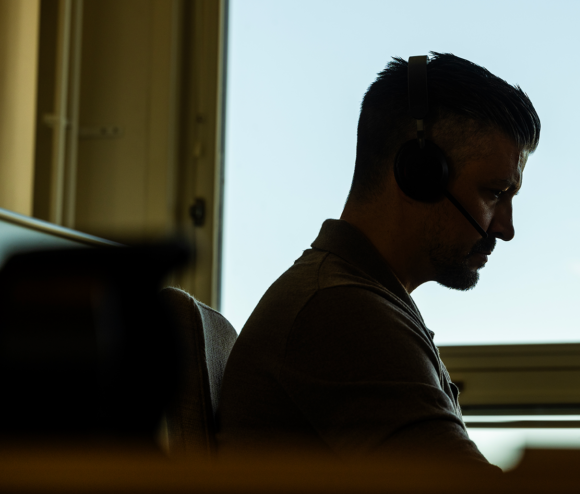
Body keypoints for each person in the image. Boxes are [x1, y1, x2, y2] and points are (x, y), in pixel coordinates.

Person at [216, 53, 540, 470]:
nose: (506, 228)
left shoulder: (360, 299)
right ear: (419, 174)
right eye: (495, 193)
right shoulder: (340, 313)